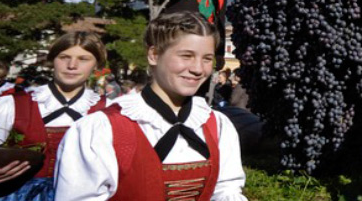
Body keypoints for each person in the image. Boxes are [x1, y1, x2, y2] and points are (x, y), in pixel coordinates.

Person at [54, 12, 246, 200]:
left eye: (206, 59)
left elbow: (226, 190)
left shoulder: (217, 125)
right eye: (186, 56)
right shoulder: (101, 129)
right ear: (154, 55)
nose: (197, 69)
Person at [0, 32, 109, 201]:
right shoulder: (8, 106)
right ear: (52, 60)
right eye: (64, 57)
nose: (72, 65)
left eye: (83, 59)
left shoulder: (108, 111)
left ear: (96, 64)